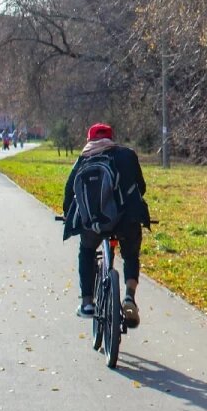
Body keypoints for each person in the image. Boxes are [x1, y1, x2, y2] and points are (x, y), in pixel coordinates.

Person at [62, 123, 148, 327]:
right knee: (130, 255)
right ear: (111, 138)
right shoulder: (127, 155)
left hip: (93, 223)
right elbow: (141, 188)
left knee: (87, 250)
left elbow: (69, 191)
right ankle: (129, 296)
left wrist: (68, 215)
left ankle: (87, 302)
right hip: (127, 221)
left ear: (89, 139)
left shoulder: (84, 158)